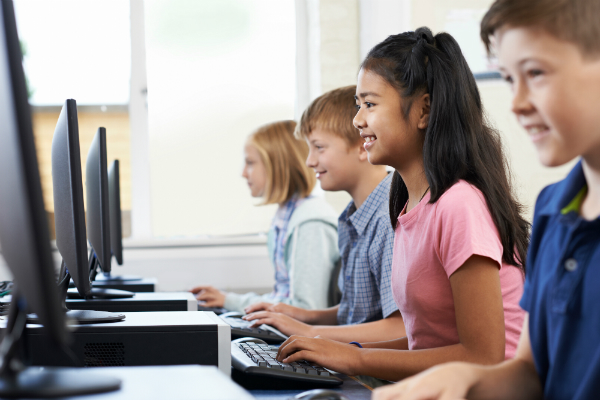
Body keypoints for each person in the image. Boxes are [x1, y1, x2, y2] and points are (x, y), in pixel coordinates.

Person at [372, 1, 600, 399]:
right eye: (511, 79)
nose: (517, 103)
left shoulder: (459, 203)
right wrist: (463, 379)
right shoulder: (553, 208)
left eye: (536, 73)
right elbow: (529, 374)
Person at [274, 27, 529, 383]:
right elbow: (424, 341)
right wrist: (343, 351)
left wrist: (355, 358)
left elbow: (483, 357)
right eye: (358, 105)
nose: (357, 119)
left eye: (370, 104)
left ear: (424, 110)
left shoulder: (459, 205)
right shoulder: (409, 204)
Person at [242, 85, 406, 343]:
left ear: (363, 146)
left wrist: (308, 332)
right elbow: (358, 312)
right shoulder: (352, 217)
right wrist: (304, 316)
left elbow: (400, 328)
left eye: (319, 147)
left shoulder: (389, 217)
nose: (309, 161)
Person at [190, 120, 340, 312]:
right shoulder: (287, 215)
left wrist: (232, 303)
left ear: (277, 166)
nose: (244, 173)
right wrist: (229, 300)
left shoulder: (310, 223)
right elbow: (281, 297)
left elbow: (307, 308)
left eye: (250, 163)